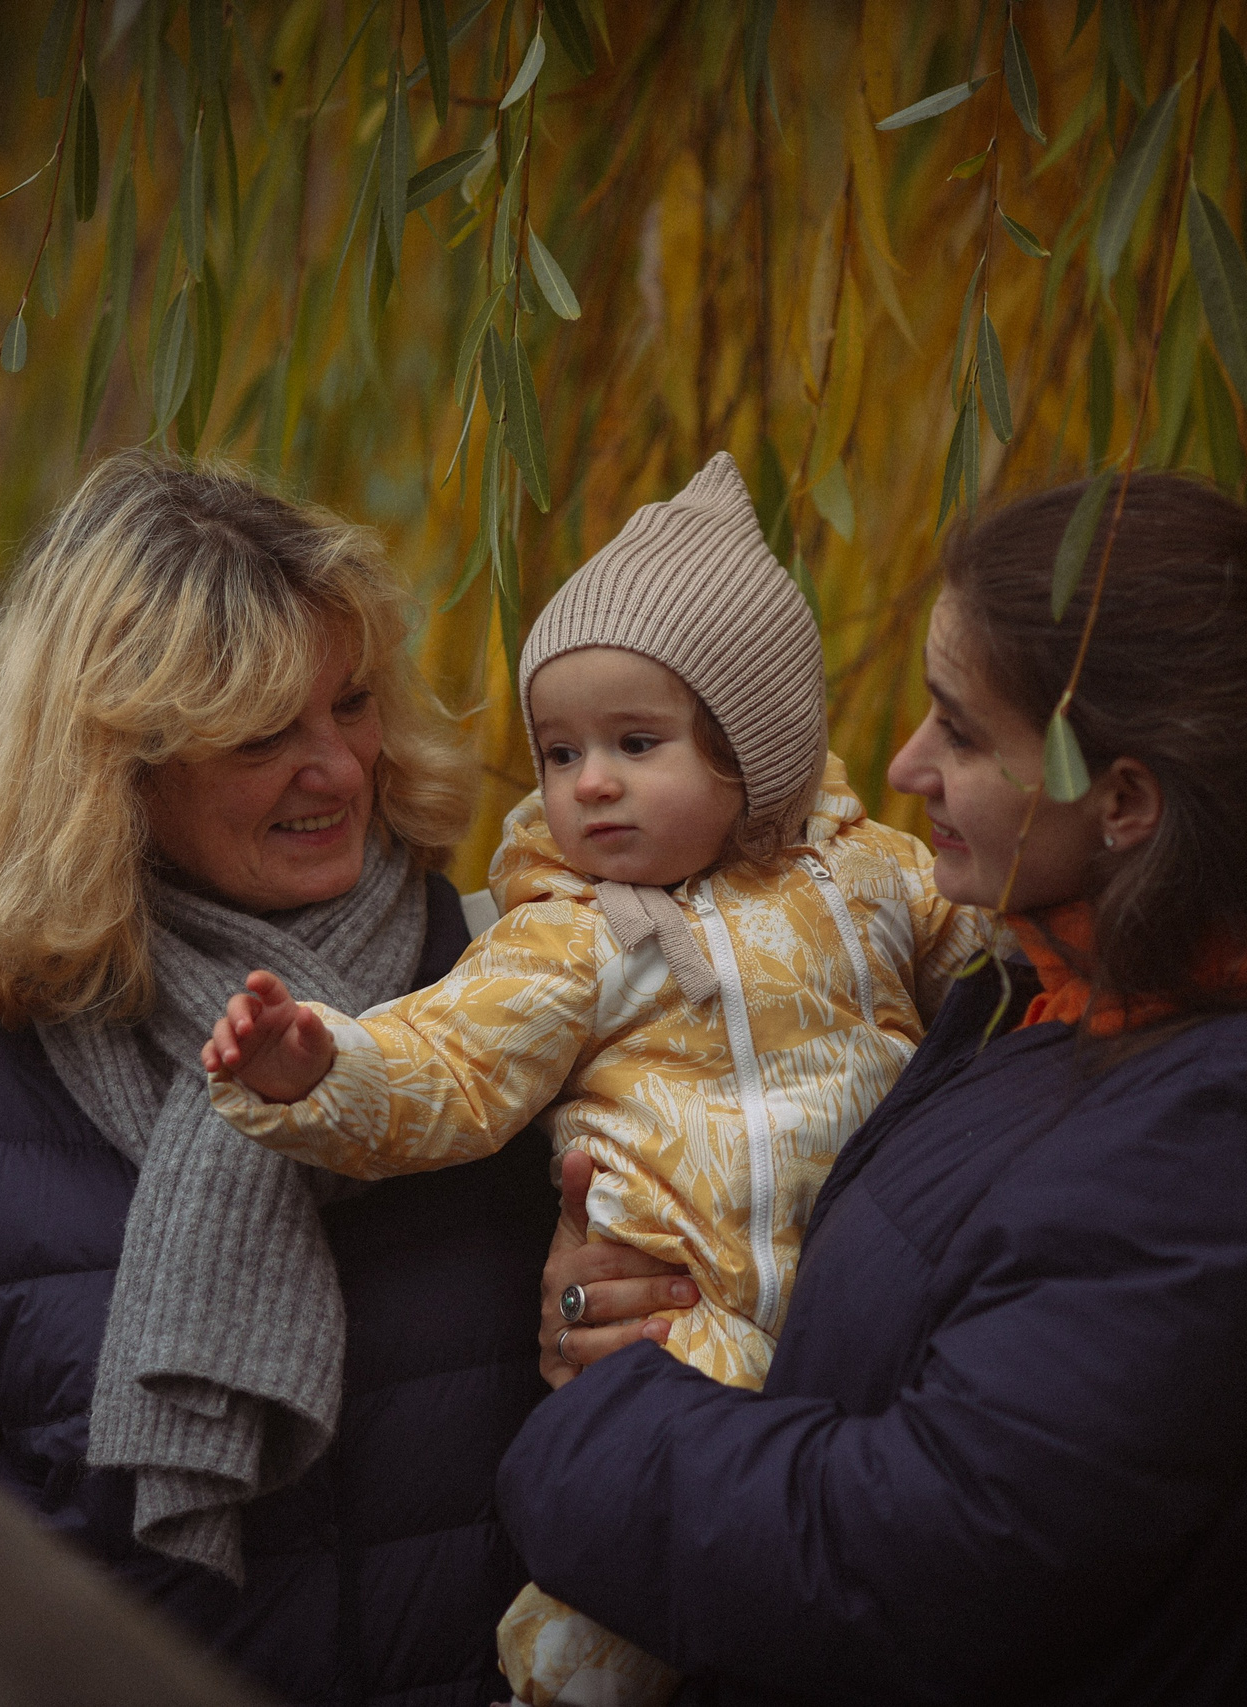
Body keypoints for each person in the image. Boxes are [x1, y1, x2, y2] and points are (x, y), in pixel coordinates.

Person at [499, 472, 1247, 1705]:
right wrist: (638, 1295)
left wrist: (598, 1429)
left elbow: (920, 1560)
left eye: (960, 731)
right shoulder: (1034, 996)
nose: (900, 766)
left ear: (1124, 802)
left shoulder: (1212, 1143)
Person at [200, 453, 985, 1707]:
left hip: (877, 1313)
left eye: (635, 743)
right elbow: (450, 1061)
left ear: (757, 752)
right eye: (559, 754)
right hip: (688, 1333)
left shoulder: (873, 877)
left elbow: (997, 972)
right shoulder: (571, 935)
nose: (591, 783)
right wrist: (315, 1069)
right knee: (620, 1605)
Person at [0, 454, 558, 1707]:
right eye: (262, 736)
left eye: (352, 704)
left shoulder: (508, 1003)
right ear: (117, 774)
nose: (343, 770)